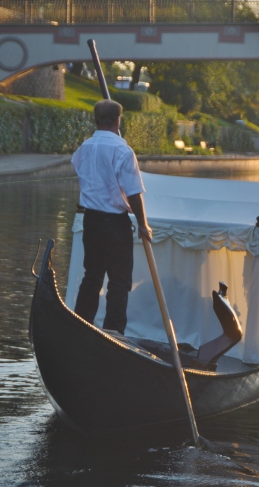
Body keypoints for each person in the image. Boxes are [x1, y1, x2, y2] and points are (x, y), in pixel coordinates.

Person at [71, 99, 152, 334]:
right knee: (119, 283)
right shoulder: (123, 151)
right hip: (115, 224)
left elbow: (78, 168)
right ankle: (114, 334)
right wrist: (143, 224)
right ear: (118, 120)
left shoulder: (83, 148)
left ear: (96, 120)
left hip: (91, 221)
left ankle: (80, 326)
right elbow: (135, 194)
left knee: (92, 277)